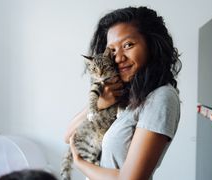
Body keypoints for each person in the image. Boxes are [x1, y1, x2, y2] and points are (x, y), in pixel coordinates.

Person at [64, 6, 181, 180]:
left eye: (128, 45)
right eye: (112, 50)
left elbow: (130, 179)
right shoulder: (128, 95)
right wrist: (99, 104)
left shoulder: (161, 98)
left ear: (151, 45)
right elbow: (68, 136)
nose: (118, 58)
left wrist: (80, 163)